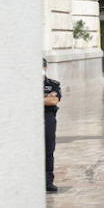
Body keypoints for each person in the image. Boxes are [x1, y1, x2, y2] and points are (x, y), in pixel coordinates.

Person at [44, 60, 62, 193]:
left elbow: (53, 100)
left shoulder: (53, 84)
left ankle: (48, 181)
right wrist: (45, 99)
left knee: (48, 150)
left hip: (48, 118)